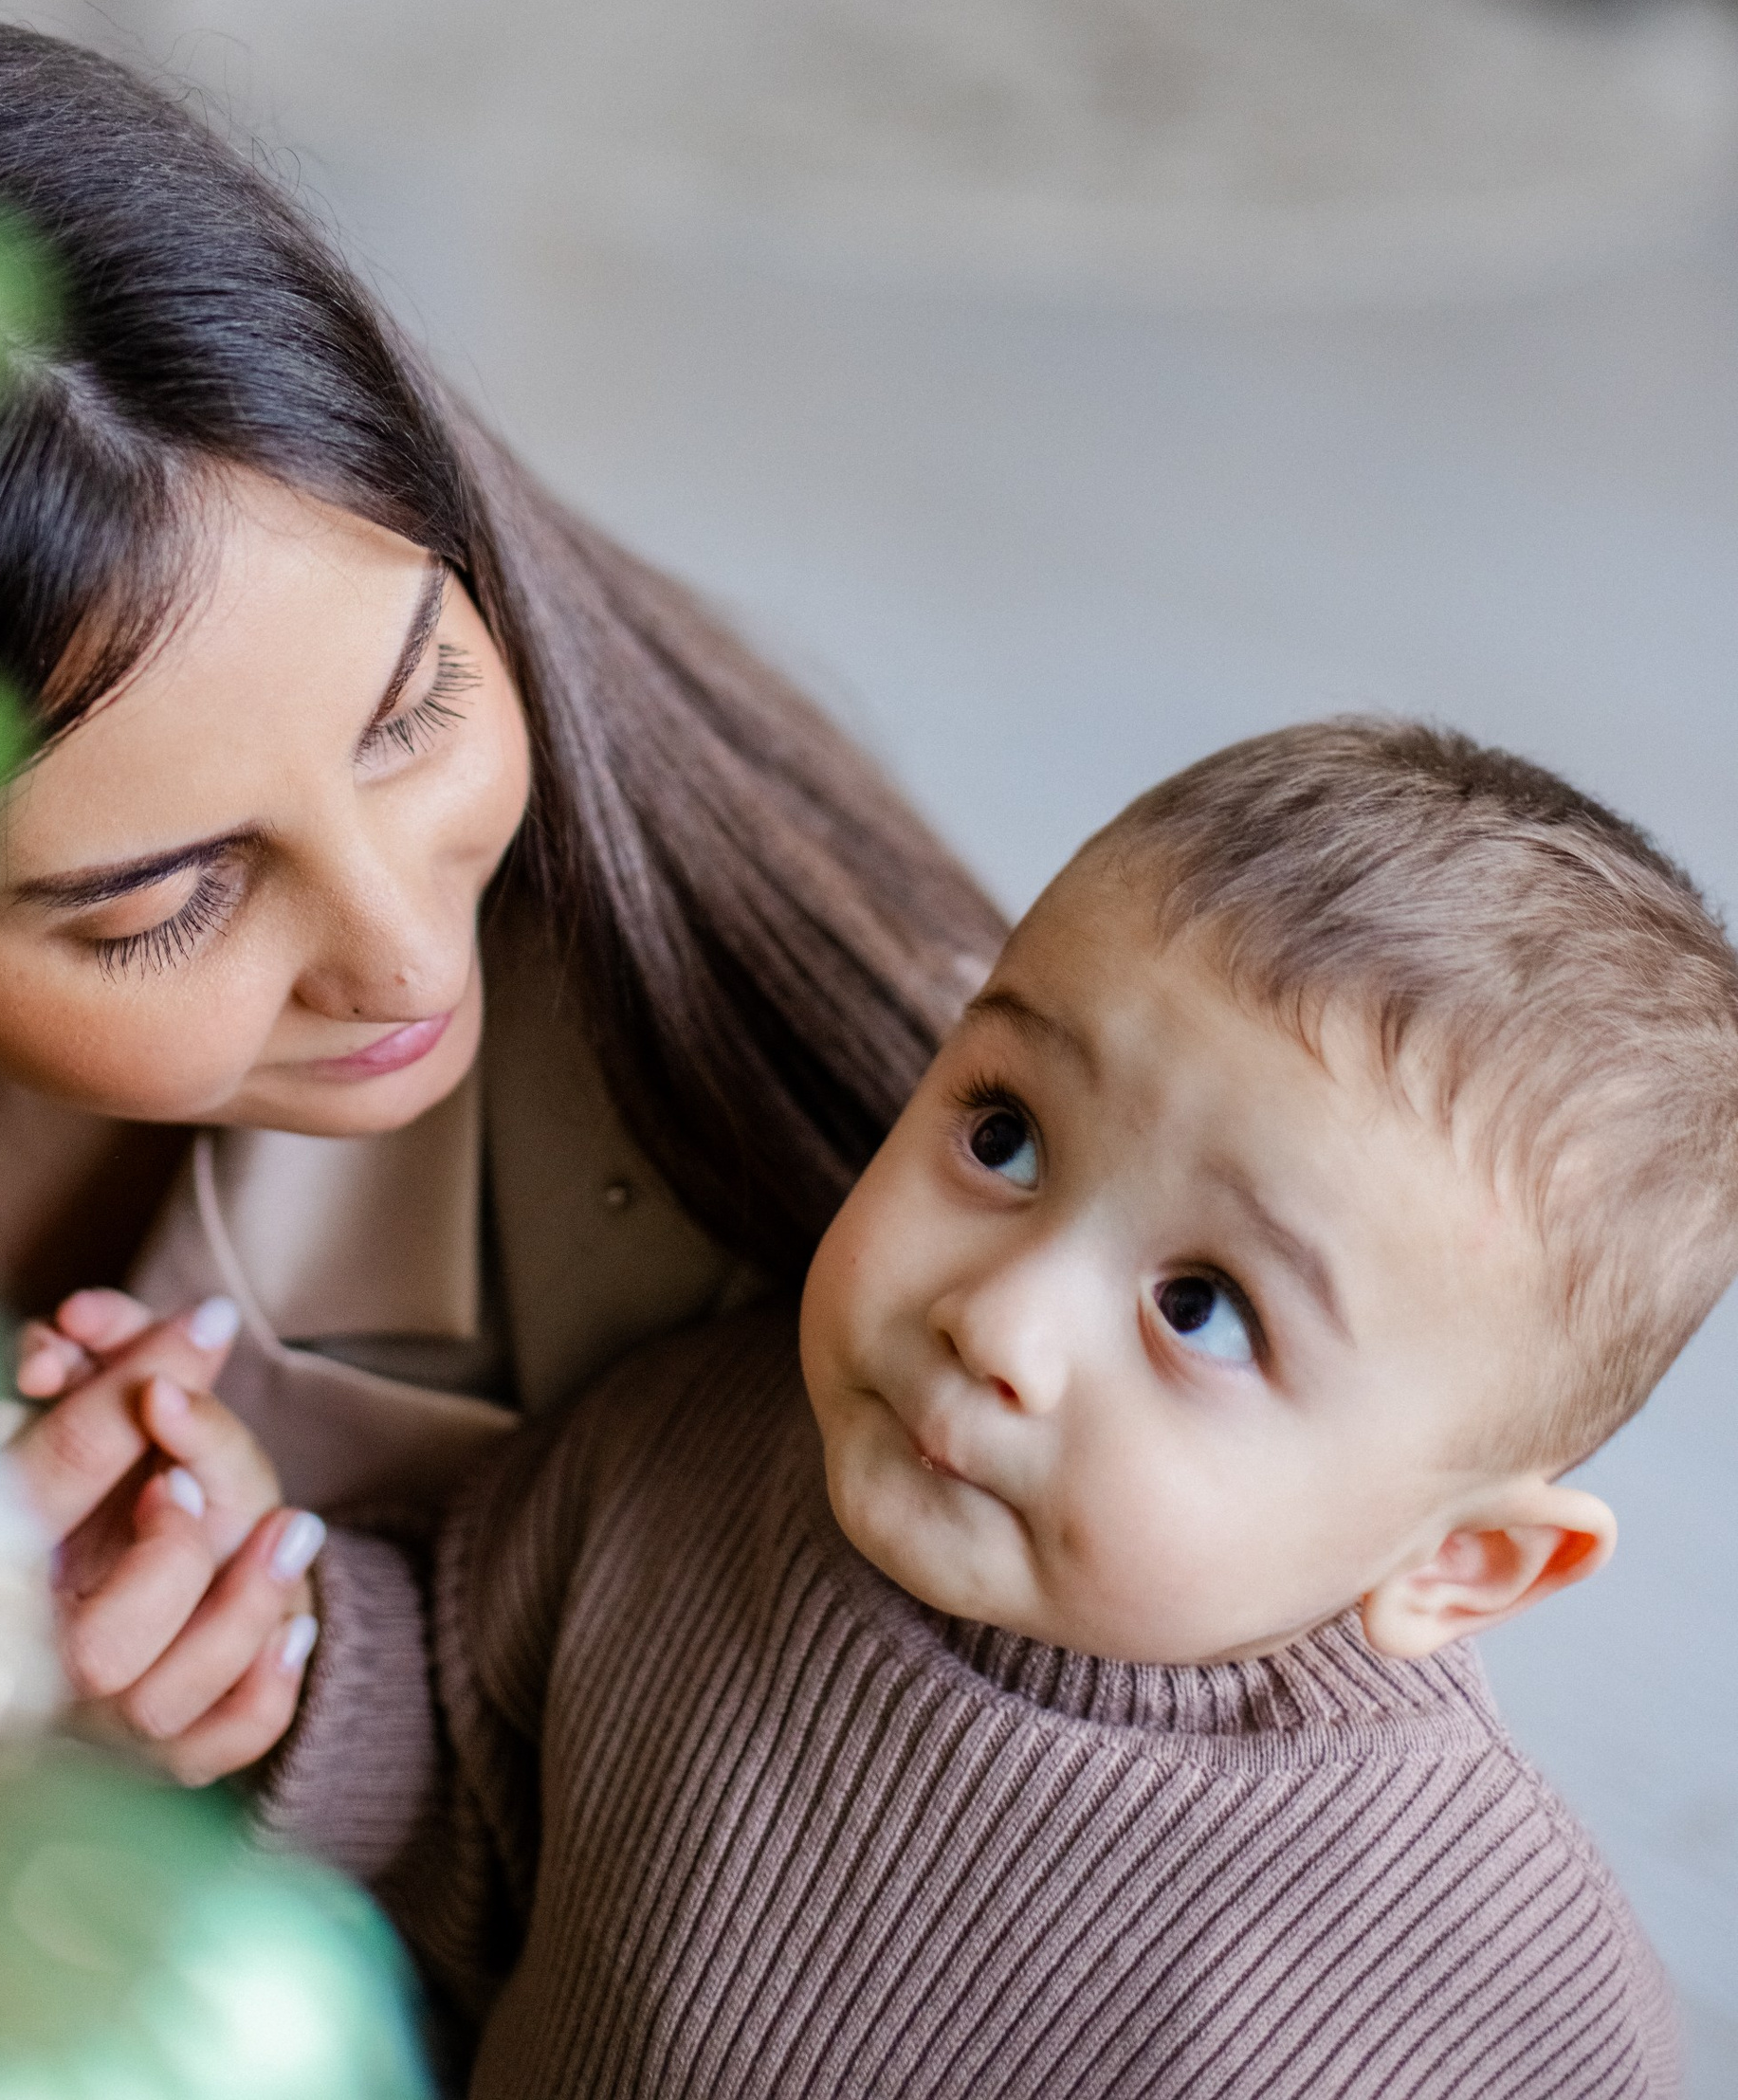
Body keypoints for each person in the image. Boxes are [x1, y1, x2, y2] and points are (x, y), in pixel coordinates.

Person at [0, 0, 1005, 1778]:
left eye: (415, 704)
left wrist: (300, 1732)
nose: (408, 951)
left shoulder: (796, 1141)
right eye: (158, 903)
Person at [230, 721, 1738, 2096]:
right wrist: (254, 1645)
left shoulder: (1489, 1998)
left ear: (1457, 1563)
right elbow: (472, 1795)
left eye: (1200, 1306)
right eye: (1005, 1136)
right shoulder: (694, 1451)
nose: (997, 1316)